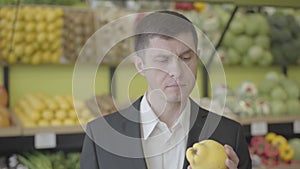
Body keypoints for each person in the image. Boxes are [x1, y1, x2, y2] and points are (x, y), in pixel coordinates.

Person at [80, 10, 252, 169]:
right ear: (140, 65)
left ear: (197, 59)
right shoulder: (100, 136)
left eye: (185, 58)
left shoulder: (229, 134)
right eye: (162, 60)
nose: (177, 72)